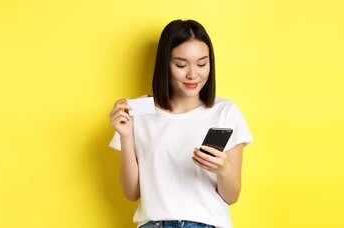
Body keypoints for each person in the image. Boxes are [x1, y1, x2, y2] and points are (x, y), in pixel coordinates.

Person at [108, 19, 253, 228]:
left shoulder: (225, 111)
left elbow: (231, 196)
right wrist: (126, 135)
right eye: (181, 65)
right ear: (165, 64)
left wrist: (223, 169)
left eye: (202, 64)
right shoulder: (139, 110)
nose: (193, 74)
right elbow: (132, 193)